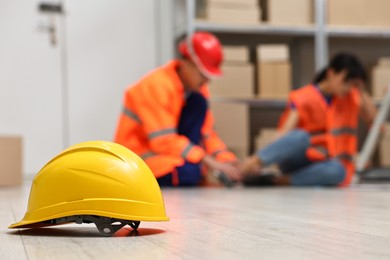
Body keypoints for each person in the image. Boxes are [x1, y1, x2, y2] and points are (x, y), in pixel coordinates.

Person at [114, 32, 241, 187]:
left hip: (169, 155)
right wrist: (208, 162)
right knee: (190, 173)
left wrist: (226, 160)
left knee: (198, 103)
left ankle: (194, 168)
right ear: (185, 64)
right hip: (139, 160)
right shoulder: (156, 86)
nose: (207, 81)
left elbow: (207, 134)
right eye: (203, 74)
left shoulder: (198, 91)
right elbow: (163, 141)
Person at [241, 53, 377, 187]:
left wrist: (361, 90)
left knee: (339, 171)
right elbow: (284, 133)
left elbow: (375, 122)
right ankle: (249, 165)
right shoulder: (303, 97)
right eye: (346, 82)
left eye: (352, 84)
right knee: (300, 136)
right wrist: (267, 156)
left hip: (324, 165)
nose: (348, 88)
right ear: (331, 73)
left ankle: (278, 181)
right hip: (298, 159)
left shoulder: (351, 98)